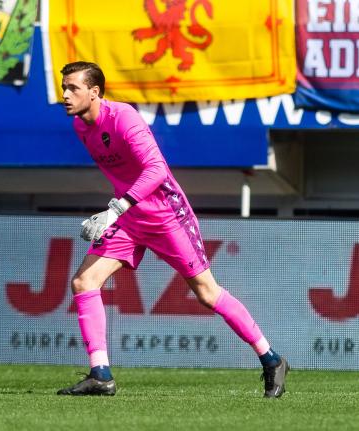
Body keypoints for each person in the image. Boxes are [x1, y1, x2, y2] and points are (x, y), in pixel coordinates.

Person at [56, 61, 289, 398]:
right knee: (83, 281)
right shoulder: (82, 127)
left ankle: (271, 360)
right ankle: (101, 375)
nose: (65, 94)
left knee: (207, 293)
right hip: (130, 217)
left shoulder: (124, 118)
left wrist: (116, 207)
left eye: (73, 88)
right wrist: (120, 210)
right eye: (64, 87)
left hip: (167, 216)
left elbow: (157, 171)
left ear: (94, 92)